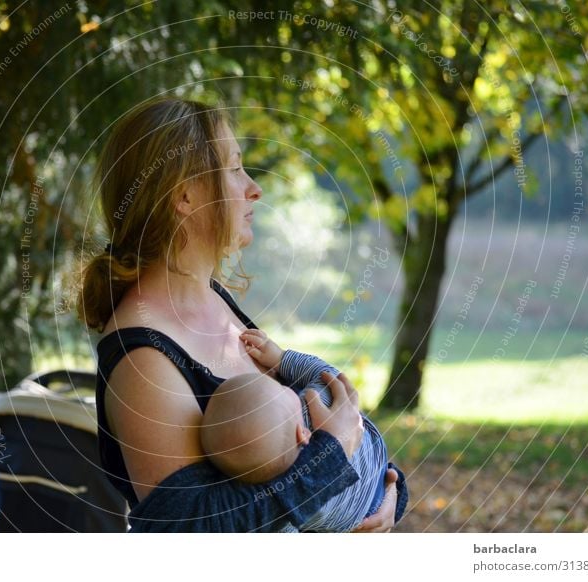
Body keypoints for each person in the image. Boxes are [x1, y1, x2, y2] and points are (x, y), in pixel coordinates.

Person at [78, 97, 405, 532]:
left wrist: (385, 489)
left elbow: (290, 439)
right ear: (185, 193)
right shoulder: (143, 359)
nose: (255, 188)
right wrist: (334, 456)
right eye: (234, 169)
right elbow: (189, 532)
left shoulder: (214, 301)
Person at [201, 329, 406, 532]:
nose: (283, 385)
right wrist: (282, 359)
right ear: (303, 434)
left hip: (356, 519)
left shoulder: (283, 501)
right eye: (282, 390)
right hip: (378, 472)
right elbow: (329, 376)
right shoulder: (312, 405)